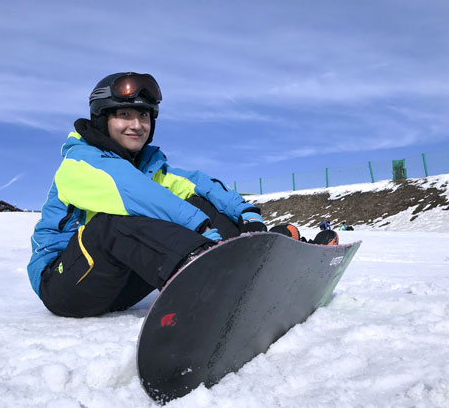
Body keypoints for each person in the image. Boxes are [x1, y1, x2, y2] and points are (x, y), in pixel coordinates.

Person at [27, 72, 268, 318]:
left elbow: (195, 184)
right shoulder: (78, 163)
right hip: (64, 286)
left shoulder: (148, 169)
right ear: (102, 119)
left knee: (199, 202)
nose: (136, 125)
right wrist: (198, 226)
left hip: (119, 285)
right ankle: (202, 281)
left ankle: (254, 260)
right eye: (124, 115)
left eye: (143, 115)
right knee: (109, 224)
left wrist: (245, 212)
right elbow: (132, 191)